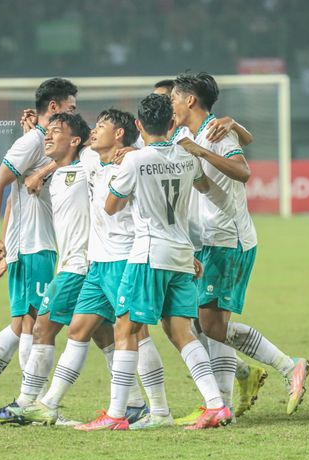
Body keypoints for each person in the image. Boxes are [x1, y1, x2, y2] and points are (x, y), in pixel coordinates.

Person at [76, 93, 231, 431]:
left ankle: (117, 414)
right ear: (173, 123)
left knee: (125, 327)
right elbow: (204, 188)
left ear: (138, 125)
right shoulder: (188, 158)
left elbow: (111, 206)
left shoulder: (135, 160)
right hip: (181, 252)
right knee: (181, 332)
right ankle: (216, 405)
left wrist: (126, 177)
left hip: (148, 253)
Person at [170, 72, 309, 417]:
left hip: (227, 240)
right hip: (207, 239)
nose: (171, 102)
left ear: (190, 99)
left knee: (210, 325)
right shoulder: (188, 134)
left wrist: (201, 151)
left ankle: (289, 365)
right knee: (206, 325)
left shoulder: (217, 132)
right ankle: (223, 406)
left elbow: (242, 171)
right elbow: (205, 187)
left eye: (174, 96)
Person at [22, 109, 162, 428]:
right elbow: (63, 154)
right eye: (94, 126)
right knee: (79, 330)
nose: (94, 131)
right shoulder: (88, 159)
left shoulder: (133, 161)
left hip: (124, 259)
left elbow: (157, 156)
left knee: (138, 333)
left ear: (119, 135)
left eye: (102, 126)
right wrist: (40, 154)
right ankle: (49, 404)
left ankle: (156, 408)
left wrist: (139, 152)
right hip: (97, 263)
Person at [0, 78, 78, 419]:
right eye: (70, 107)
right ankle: (30, 404)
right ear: (53, 107)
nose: (73, 114)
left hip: (37, 244)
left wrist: (8, 248)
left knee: (22, 323)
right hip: (34, 245)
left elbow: (17, 195)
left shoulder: (49, 141)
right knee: (33, 322)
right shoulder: (32, 141)